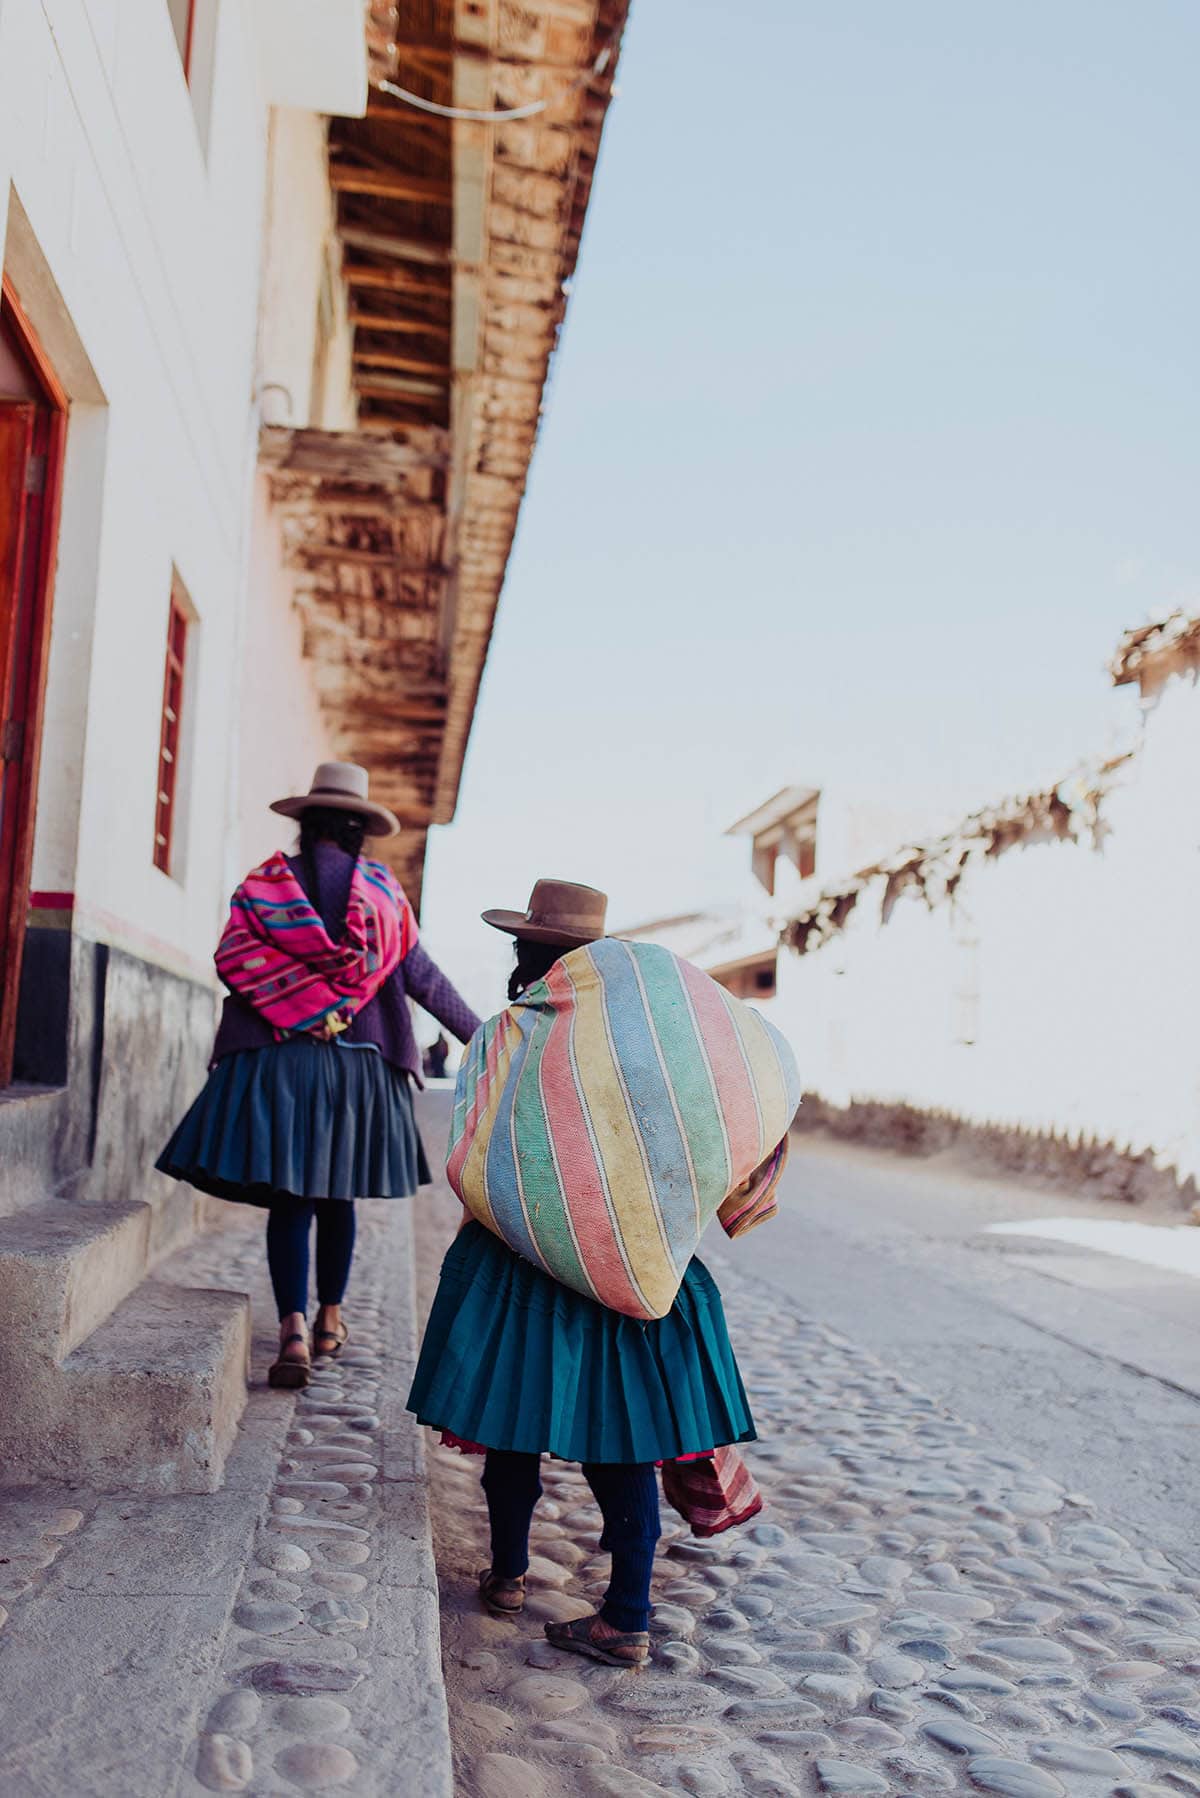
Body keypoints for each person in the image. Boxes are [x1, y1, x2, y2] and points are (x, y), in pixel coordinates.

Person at [407, 880, 755, 1668]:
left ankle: (508, 1574)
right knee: (625, 1438)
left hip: (518, 1261)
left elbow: (477, 1147)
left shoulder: (510, 1035)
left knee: (512, 1424)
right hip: (633, 1259)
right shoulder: (654, 1042)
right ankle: (626, 1614)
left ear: (527, 955)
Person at [158, 762, 480, 1389]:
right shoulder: (385, 898)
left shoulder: (264, 887)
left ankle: (294, 1330)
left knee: (290, 1199)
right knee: (337, 1197)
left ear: (304, 826)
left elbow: (233, 960)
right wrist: (489, 1040)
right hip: (359, 1070)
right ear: (360, 831)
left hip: (280, 1062)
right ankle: (333, 1318)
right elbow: (424, 981)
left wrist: (295, 1002)